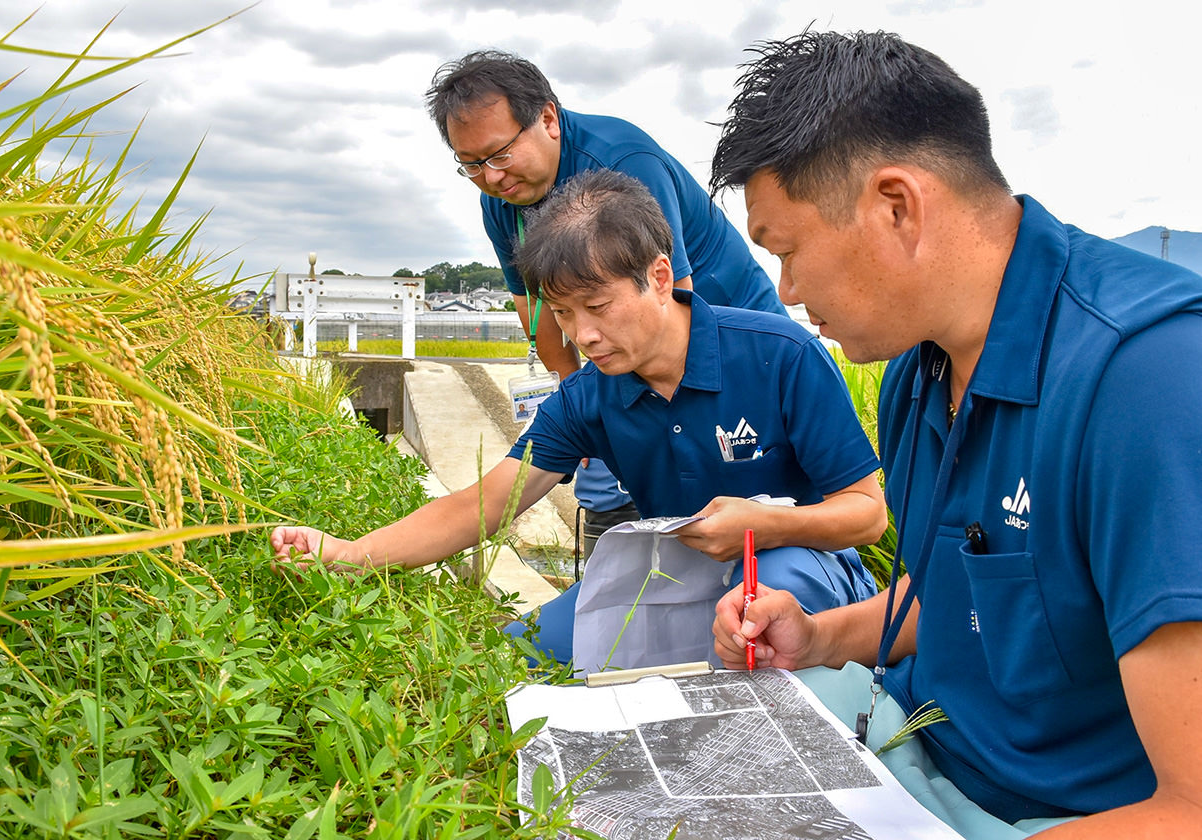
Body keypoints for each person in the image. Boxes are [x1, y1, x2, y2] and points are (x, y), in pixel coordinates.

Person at [707, 30, 1202, 839]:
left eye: (788, 253)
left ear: (897, 206)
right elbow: (960, 597)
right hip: (909, 744)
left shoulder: (1149, 378)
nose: (788, 292)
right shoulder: (917, 373)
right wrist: (819, 633)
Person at [272, 169, 885, 668]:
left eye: (597, 306)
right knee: (517, 656)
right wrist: (349, 553)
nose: (582, 335)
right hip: (672, 573)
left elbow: (867, 514)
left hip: (797, 565)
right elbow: (485, 505)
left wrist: (765, 524)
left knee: (765, 601)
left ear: (659, 276)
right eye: (563, 313)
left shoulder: (780, 354)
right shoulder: (590, 395)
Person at [425, 49, 787, 555]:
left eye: (499, 154)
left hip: (730, 331)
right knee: (607, 478)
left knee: (726, 477)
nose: (491, 177)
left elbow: (671, 299)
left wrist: (629, 415)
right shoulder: (501, 202)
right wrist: (580, 400)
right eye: (472, 165)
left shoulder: (624, 163)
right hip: (635, 336)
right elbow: (537, 308)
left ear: (548, 118)